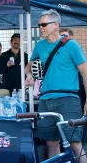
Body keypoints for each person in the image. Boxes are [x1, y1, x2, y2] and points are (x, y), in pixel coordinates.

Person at [25, 9, 87, 162]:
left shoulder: (71, 45)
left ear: (56, 25)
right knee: (51, 143)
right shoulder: (40, 45)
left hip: (67, 99)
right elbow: (28, 67)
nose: (40, 28)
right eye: (39, 25)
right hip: (45, 100)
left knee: (74, 143)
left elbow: (85, 72)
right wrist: (29, 75)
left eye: (44, 24)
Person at [59, 28, 86, 113]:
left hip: (77, 88)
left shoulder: (75, 48)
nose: (63, 38)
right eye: (61, 36)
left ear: (71, 37)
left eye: (65, 36)